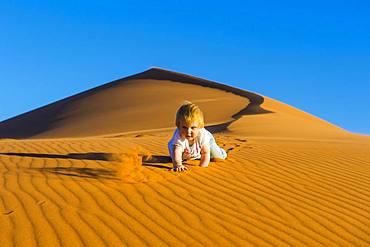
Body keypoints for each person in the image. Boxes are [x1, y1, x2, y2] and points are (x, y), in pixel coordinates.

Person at [168, 101, 227, 172]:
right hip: (187, 152)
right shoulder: (178, 136)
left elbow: (205, 153)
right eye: (184, 127)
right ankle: (196, 155)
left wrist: (202, 168)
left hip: (205, 142)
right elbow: (177, 151)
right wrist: (178, 165)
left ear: (199, 127)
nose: (188, 131)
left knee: (217, 156)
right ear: (178, 126)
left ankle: (222, 152)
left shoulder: (202, 135)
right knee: (176, 157)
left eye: (193, 127)